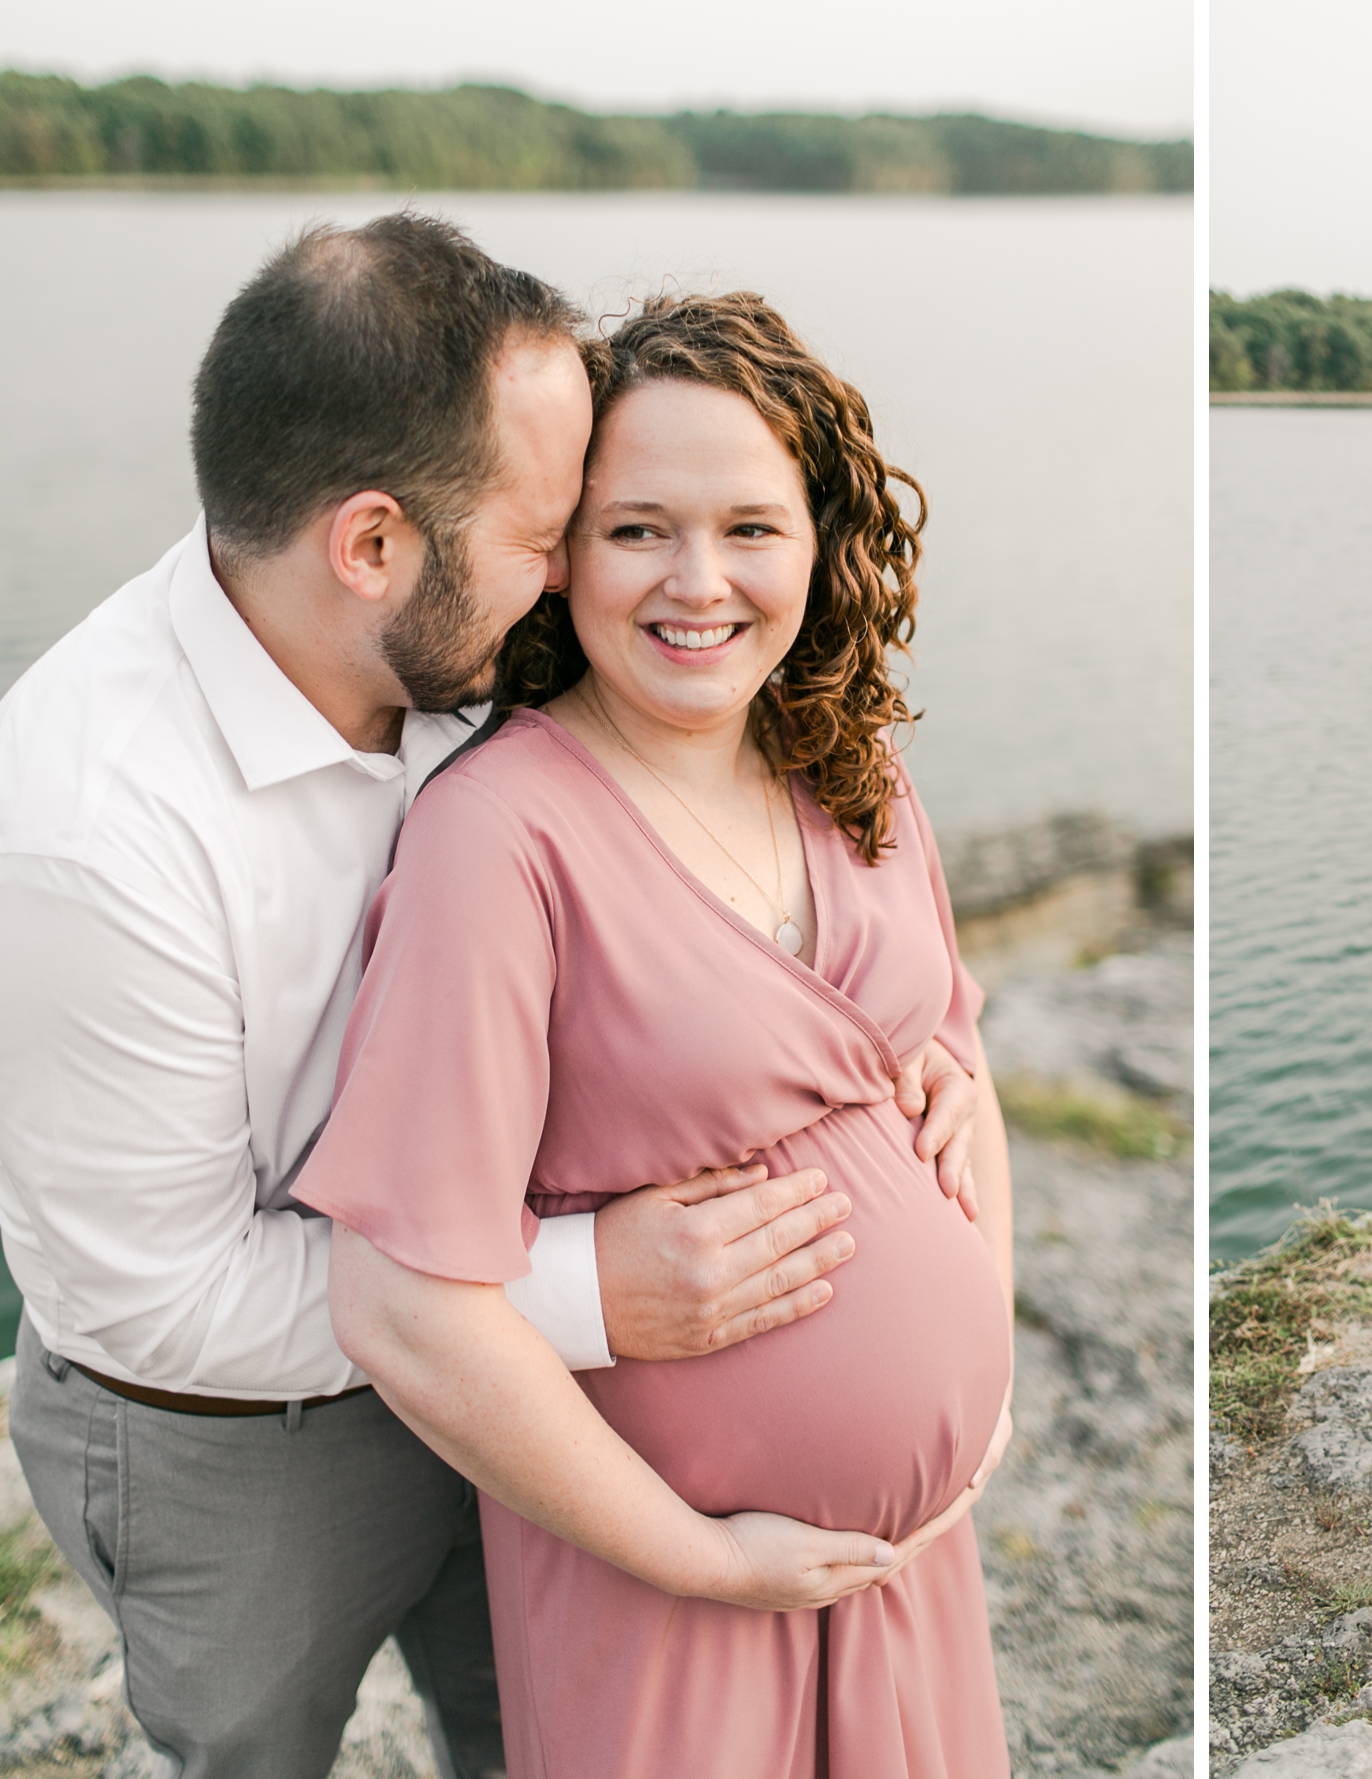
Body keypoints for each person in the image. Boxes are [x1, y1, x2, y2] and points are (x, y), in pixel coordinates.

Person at [0, 213, 978, 1779]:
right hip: (247, 1444)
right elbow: (159, 1296)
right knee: (256, 1755)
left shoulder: (448, 662)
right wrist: (580, 1291)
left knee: (533, 1736)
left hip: (548, 1401)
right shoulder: (87, 832)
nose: (568, 579)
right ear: (370, 545)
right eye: (556, 532)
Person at [293, 290, 1016, 1777]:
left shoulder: (854, 775)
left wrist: (978, 1401)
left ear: (822, 541)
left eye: (751, 526)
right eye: (638, 530)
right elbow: (400, 1304)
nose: (698, 581)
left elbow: (958, 1075)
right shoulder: (499, 840)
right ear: (560, 559)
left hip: (911, 1572)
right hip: (670, 1588)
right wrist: (702, 1561)